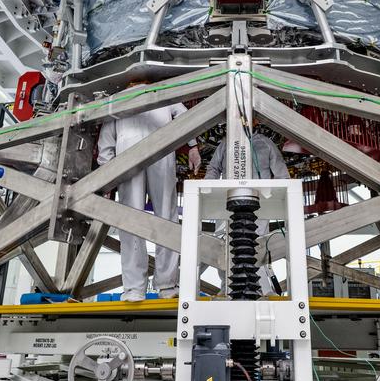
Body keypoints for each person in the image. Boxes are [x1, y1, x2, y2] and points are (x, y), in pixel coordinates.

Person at [96, 92, 202, 301]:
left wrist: (106, 170)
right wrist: (192, 146)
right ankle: (160, 286)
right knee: (158, 218)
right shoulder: (161, 94)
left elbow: (106, 140)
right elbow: (186, 117)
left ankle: (140, 287)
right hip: (155, 152)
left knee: (136, 220)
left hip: (137, 154)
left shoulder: (123, 98)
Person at [204, 124, 289, 295]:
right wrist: (207, 192)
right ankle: (226, 287)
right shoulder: (226, 143)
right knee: (224, 243)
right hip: (227, 202)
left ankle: (261, 289)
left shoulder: (265, 143)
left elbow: (281, 173)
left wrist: (284, 195)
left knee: (258, 244)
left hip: (260, 204)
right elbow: (213, 168)